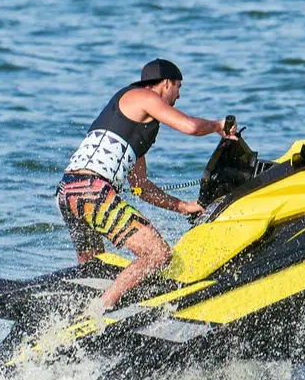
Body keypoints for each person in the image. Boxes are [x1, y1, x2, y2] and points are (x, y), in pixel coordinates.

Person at [56, 59, 233, 315]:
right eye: (178, 87)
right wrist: (218, 126)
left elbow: (140, 186)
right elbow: (191, 127)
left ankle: (72, 316)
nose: (179, 95)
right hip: (93, 191)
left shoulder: (133, 124)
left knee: (94, 270)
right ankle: (96, 314)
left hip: (69, 192)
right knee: (158, 254)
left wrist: (183, 207)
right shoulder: (143, 96)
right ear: (166, 83)